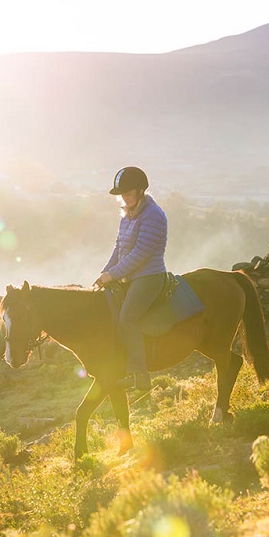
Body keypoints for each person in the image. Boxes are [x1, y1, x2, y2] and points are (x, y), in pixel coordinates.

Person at [93, 166, 167, 392]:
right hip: (129, 275)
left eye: (128, 192)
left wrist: (113, 275)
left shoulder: (153, 215)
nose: (124, 197)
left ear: (140, 190)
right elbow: (119, 248)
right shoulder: (128, 213)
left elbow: (141, 254)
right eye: (122, 193)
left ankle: (141, 377)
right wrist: (104, 273)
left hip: (149, 276)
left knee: (127, 318)